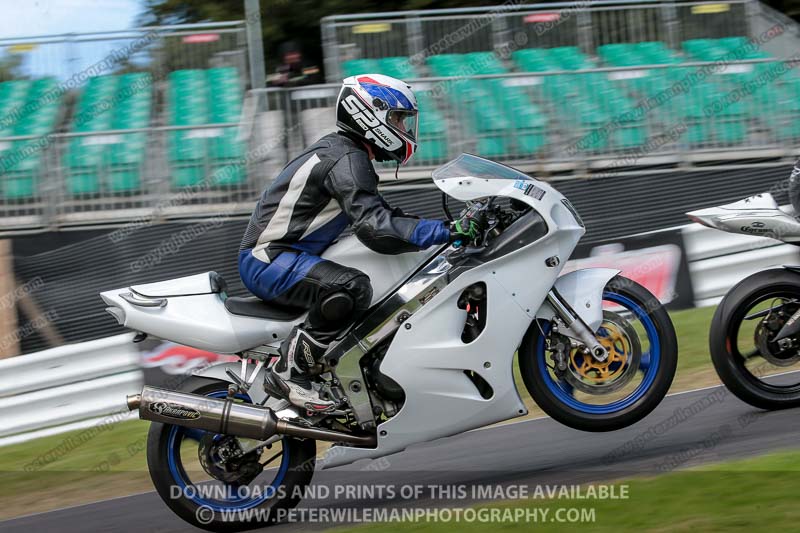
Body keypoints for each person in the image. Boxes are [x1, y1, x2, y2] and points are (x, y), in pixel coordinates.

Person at [238, 74, 484, 413]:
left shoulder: (346, 154)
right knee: (351, 287)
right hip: (268, 259)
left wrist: (442, 227)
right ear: (371, 113)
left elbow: (380, 215)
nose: (403, 127)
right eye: (398, 118)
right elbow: (377, 229)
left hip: (282, 255)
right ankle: (291, 372)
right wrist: (448, 231)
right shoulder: (346, 160)